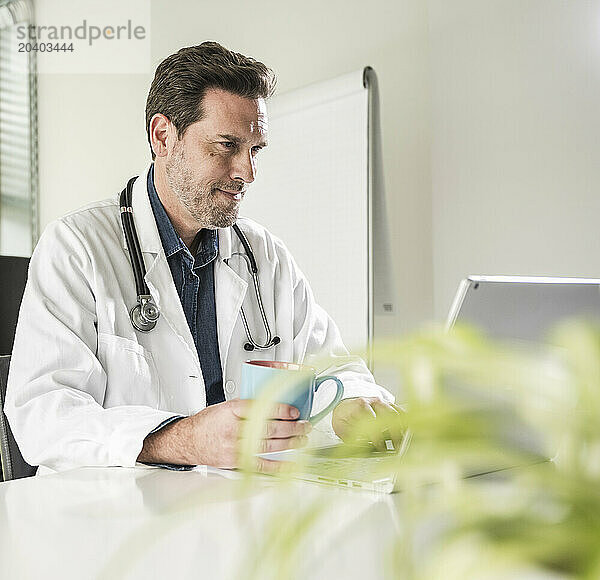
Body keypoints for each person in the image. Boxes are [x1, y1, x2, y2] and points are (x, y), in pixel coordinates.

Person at [6, 42, 402, 475]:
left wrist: (352, 400)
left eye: (255, 149)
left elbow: (335, 365)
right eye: (226, 145)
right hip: (114, 520)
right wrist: (184, 438)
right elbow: (43, 415)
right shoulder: (77, 247)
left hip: (236, 514)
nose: (247, 172)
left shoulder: (264, 255)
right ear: (163, 136)